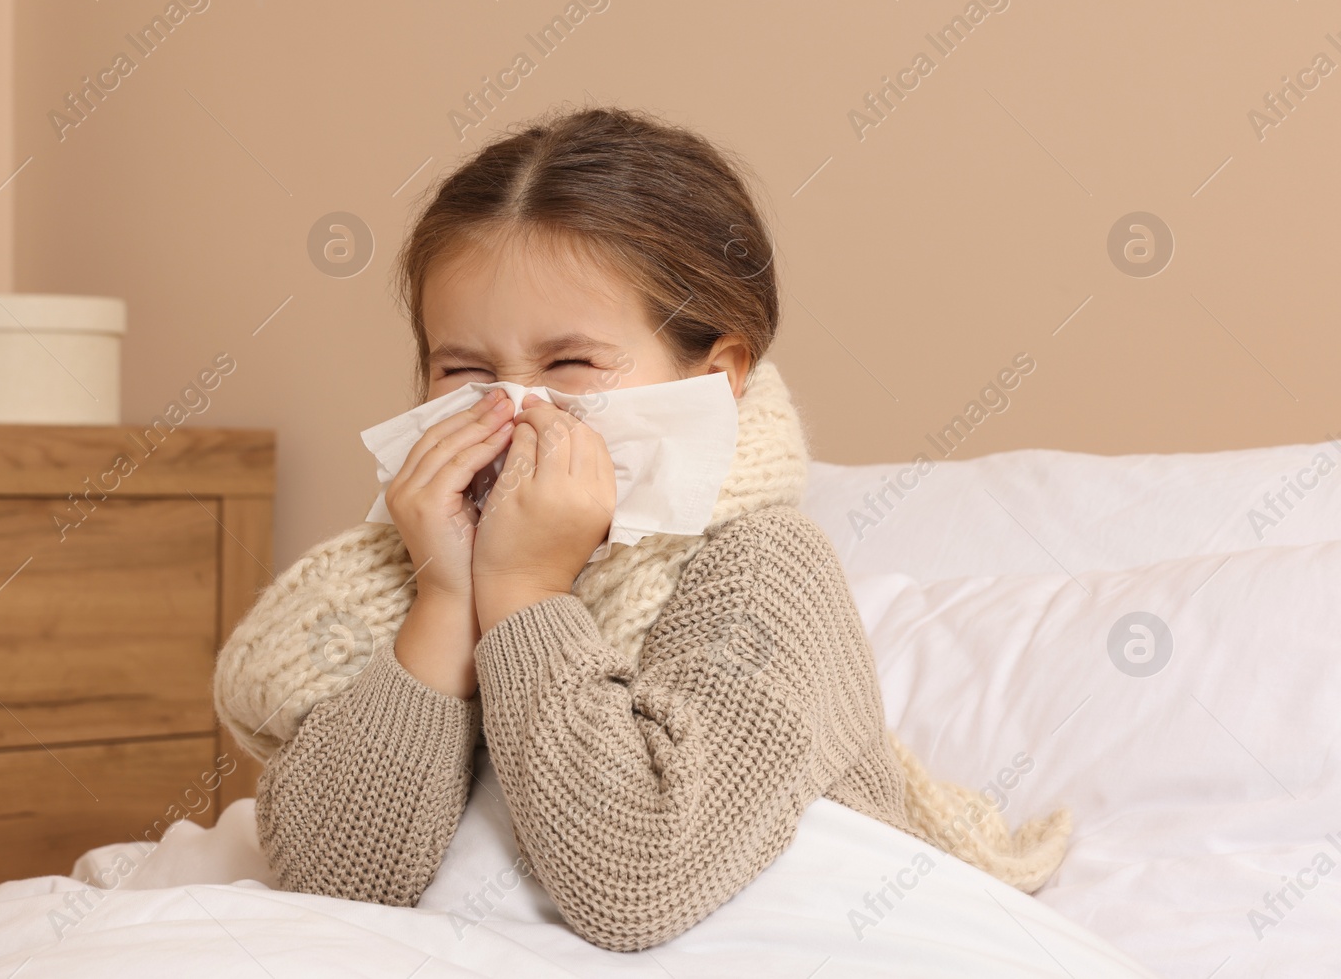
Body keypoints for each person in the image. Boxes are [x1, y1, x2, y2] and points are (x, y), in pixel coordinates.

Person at [213, 104, 1071, 953]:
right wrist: (444, 592)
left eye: (571, 362)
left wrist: (520, 592)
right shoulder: (409, 572)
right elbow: (331, 879)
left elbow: (638, 878)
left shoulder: (766, 567)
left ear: (719, 375)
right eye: (465, 369)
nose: (516, 408)